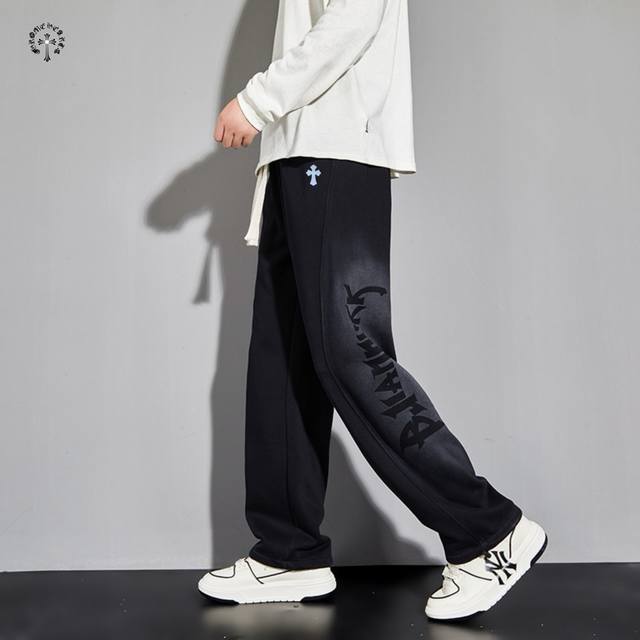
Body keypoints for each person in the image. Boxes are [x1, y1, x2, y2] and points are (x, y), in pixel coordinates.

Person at [197, 0, 547, 621]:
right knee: (283, 360)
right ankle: (289, 552)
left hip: (333, 151)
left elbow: (354, 18)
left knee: (350, 352)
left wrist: (256, 102)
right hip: (298, 151)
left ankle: (488, 532)